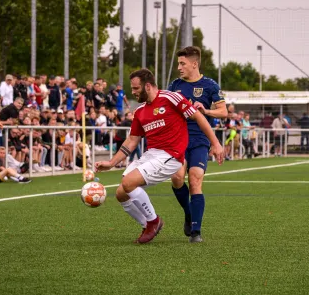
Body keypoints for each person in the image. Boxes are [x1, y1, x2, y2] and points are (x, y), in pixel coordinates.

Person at [94, 68, 224, 244]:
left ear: (147, 86)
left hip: (172, 155)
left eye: (135, 88)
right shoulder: (140, 111)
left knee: (128, 183)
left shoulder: (171, 98)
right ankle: (148, 223)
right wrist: (111, 163)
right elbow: (131, 141)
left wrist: (215, 143)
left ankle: (154, 221)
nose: (133, 92)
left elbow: (198, 117)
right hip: (152, 155)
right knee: (121, 194)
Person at [167, 46, 228, 242]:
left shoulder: (210, 85)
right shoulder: (174, 85)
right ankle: (189, 212)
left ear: (194, 64)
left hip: (200, 140)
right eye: (178, 63)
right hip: (178, 139)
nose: (179, 67)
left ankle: (196, 232)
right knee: (177, 178)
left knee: (195, 180)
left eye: (182, 63)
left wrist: (206, 111)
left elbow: (223, 112)